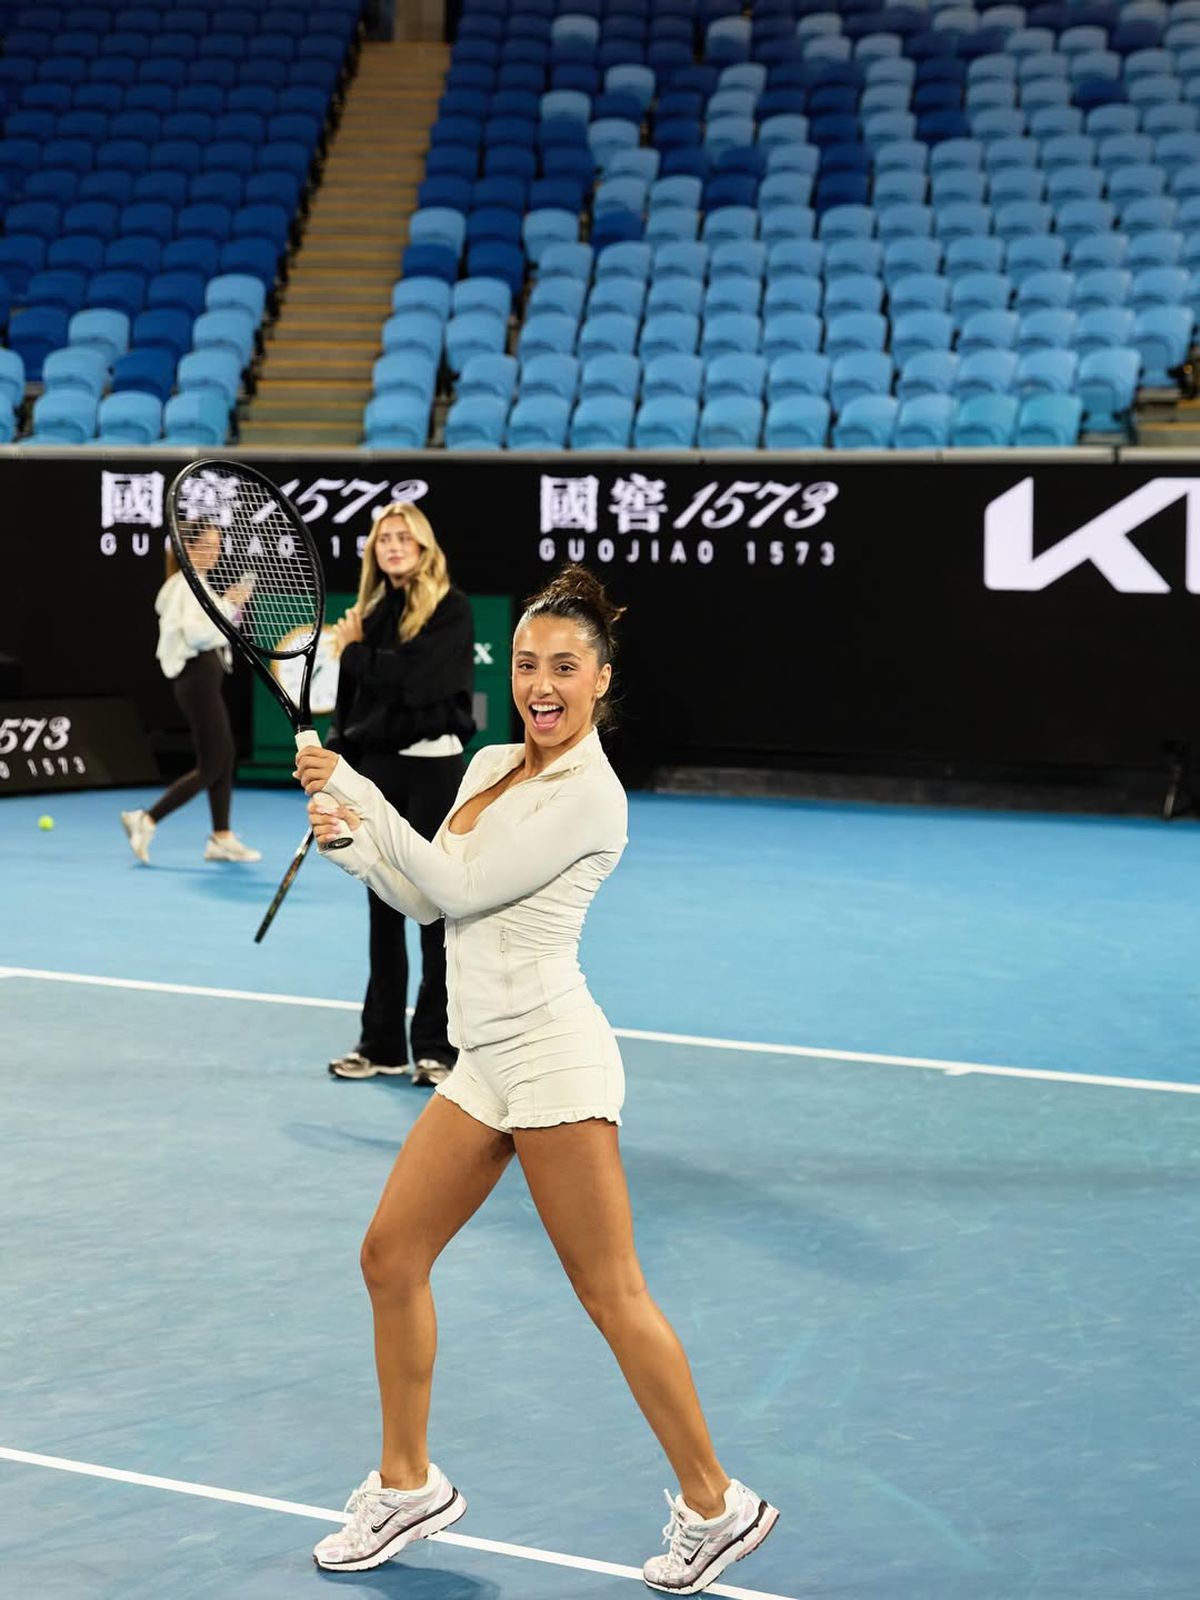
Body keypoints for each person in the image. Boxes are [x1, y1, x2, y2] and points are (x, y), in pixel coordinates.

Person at [295, 566, 778, 1595]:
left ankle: (716, 1504)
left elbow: (460, 882)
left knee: (611, 1294)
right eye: (525, 665)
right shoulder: (489, 766)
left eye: (564, 667)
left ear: (601, 679)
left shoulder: (591, 796)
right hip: (485, 1062)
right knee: (390, 1256)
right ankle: (407, 1484)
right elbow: (428, 902)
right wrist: (354, 847)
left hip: (554, 1057)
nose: (541, 685)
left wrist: (354, 786)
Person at [324, 500, 474, 1086]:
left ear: (423, 547)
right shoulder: (370, 613)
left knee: (435, 909)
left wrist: (356, 653)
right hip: (377, 771)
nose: (392, 546)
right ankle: (382, 1044)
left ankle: (437, 1048)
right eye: (383, 538)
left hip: (435, 772)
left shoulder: (451, 609)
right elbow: (354, 702)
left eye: (402, 537)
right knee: (383, 907)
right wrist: (336, 765)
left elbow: (415, 682)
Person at [121, 523, 260, 866]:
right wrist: (229, 605)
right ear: (188, 548)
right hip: (196, 680)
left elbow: (214, 630)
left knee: (224, 757)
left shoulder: (198, 585)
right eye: (206, 545)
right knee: (212, 764)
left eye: (217, 545)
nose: (214, 552)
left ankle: (222, 837)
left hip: (205, 681)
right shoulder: (184, 586)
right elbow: (198, 635)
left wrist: (230, 607)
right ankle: (146, 819)